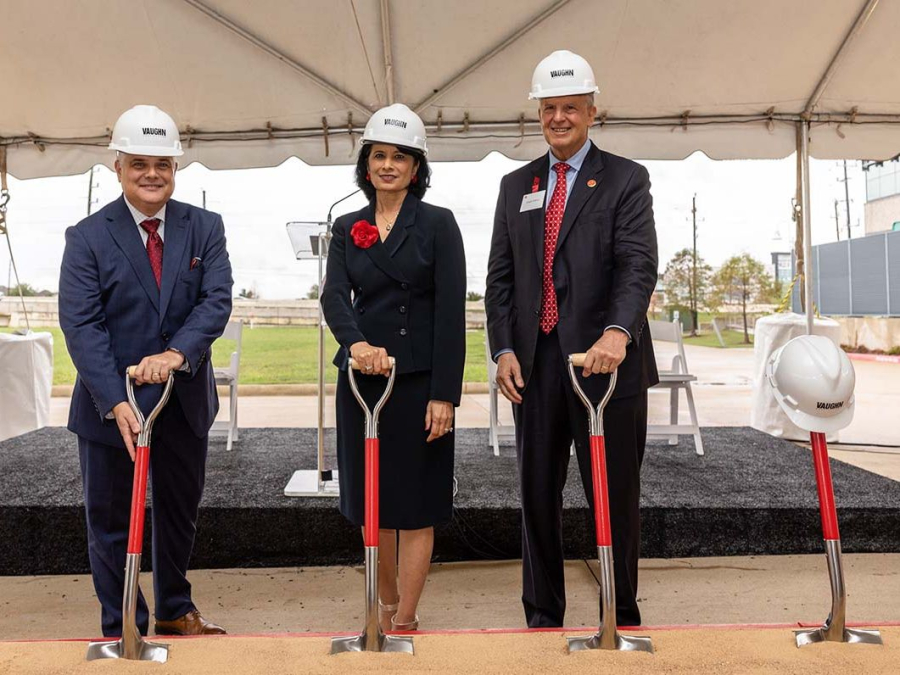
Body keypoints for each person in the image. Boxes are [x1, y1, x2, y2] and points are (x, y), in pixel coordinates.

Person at [485, 50, 659, 628]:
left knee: (614, 496)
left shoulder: (626, 179)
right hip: (534, 369)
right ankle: (542, 615)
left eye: (570, 108)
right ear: (538, 112)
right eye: (549, 108)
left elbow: (638, 266)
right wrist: (503, 350)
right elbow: (501, 279)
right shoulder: (517, 186)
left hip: (605, 368)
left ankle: (620, 612)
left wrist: (617, 333)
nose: (559, 118)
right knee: (537, 497)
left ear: (592, 112)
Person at [59, 105, 233, 637]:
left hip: (182, 400)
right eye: (139, 163)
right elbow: (82, 324)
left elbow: (215, 301)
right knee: (110, 522)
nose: (152, 173)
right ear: (118, 166)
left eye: (163, 163)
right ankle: (123, 625)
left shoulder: (205, 227)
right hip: (109, 406)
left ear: (176, 167)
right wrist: (115, 401)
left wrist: (176, 355)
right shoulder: (86, 236)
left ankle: (175, 609)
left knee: (178, 512)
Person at [321, 103, 466, 632]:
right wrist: (356, 345)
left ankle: (405, 617)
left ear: (416, 167)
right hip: (362, 382)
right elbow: (334, 295)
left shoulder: (438, 224)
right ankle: (382, 605)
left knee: (417, 502)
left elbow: (452, 314)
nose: (387, 165)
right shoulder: (347, 226)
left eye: (399, 157)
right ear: (365, 164)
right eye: (378, 155)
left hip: (420, 381)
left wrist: (444, 394)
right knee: (370, 502)